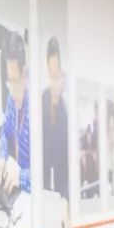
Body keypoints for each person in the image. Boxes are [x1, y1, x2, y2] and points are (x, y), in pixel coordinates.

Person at [0, 31, 31, 196]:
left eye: (14, 81)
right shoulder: (11, 100)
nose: (11, 89)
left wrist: (21, 177)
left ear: (24, 74)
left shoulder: (38, 109)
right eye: (8, 82)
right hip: (17, 192)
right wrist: (2, 156)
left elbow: (48, 176)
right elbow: (5, 131)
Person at [41, 38, 69, 201]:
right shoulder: (41, 104)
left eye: (57, 76)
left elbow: (67, 160)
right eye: (51, 76)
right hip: (42, 186)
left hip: (60, 189)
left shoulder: (65, 112)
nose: (54, 83)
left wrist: (65, 197)